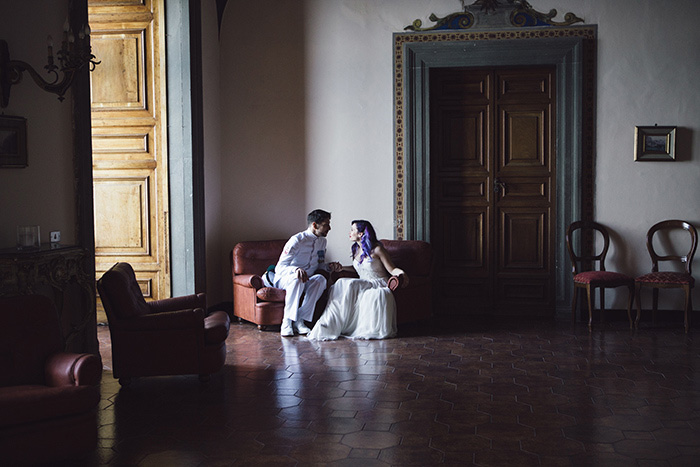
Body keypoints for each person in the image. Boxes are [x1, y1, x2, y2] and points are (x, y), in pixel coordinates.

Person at [307, 220, 407, 341]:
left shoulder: (377, 250)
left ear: (361, 234)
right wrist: (341, 268)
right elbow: (356, 268)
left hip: (377, 283)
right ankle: (329, 323)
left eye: (353, 230)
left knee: (346, 283)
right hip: (364, 283)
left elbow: (392, 269)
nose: (350, 232)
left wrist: (401, 273)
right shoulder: (356, 249)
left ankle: (333, 323)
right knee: (340, 283)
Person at [274, 209, 342, 337]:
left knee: (321, 279)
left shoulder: (322, 242)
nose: (329, 228)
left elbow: (320, 265)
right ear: (315, 225)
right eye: (326, 225)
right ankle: (287, 322)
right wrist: (295, 270)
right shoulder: (297, 240)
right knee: (298, 279)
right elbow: (280, 267)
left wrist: (330, 266)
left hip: (307, 279)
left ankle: (300, 320)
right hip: (286, 279)